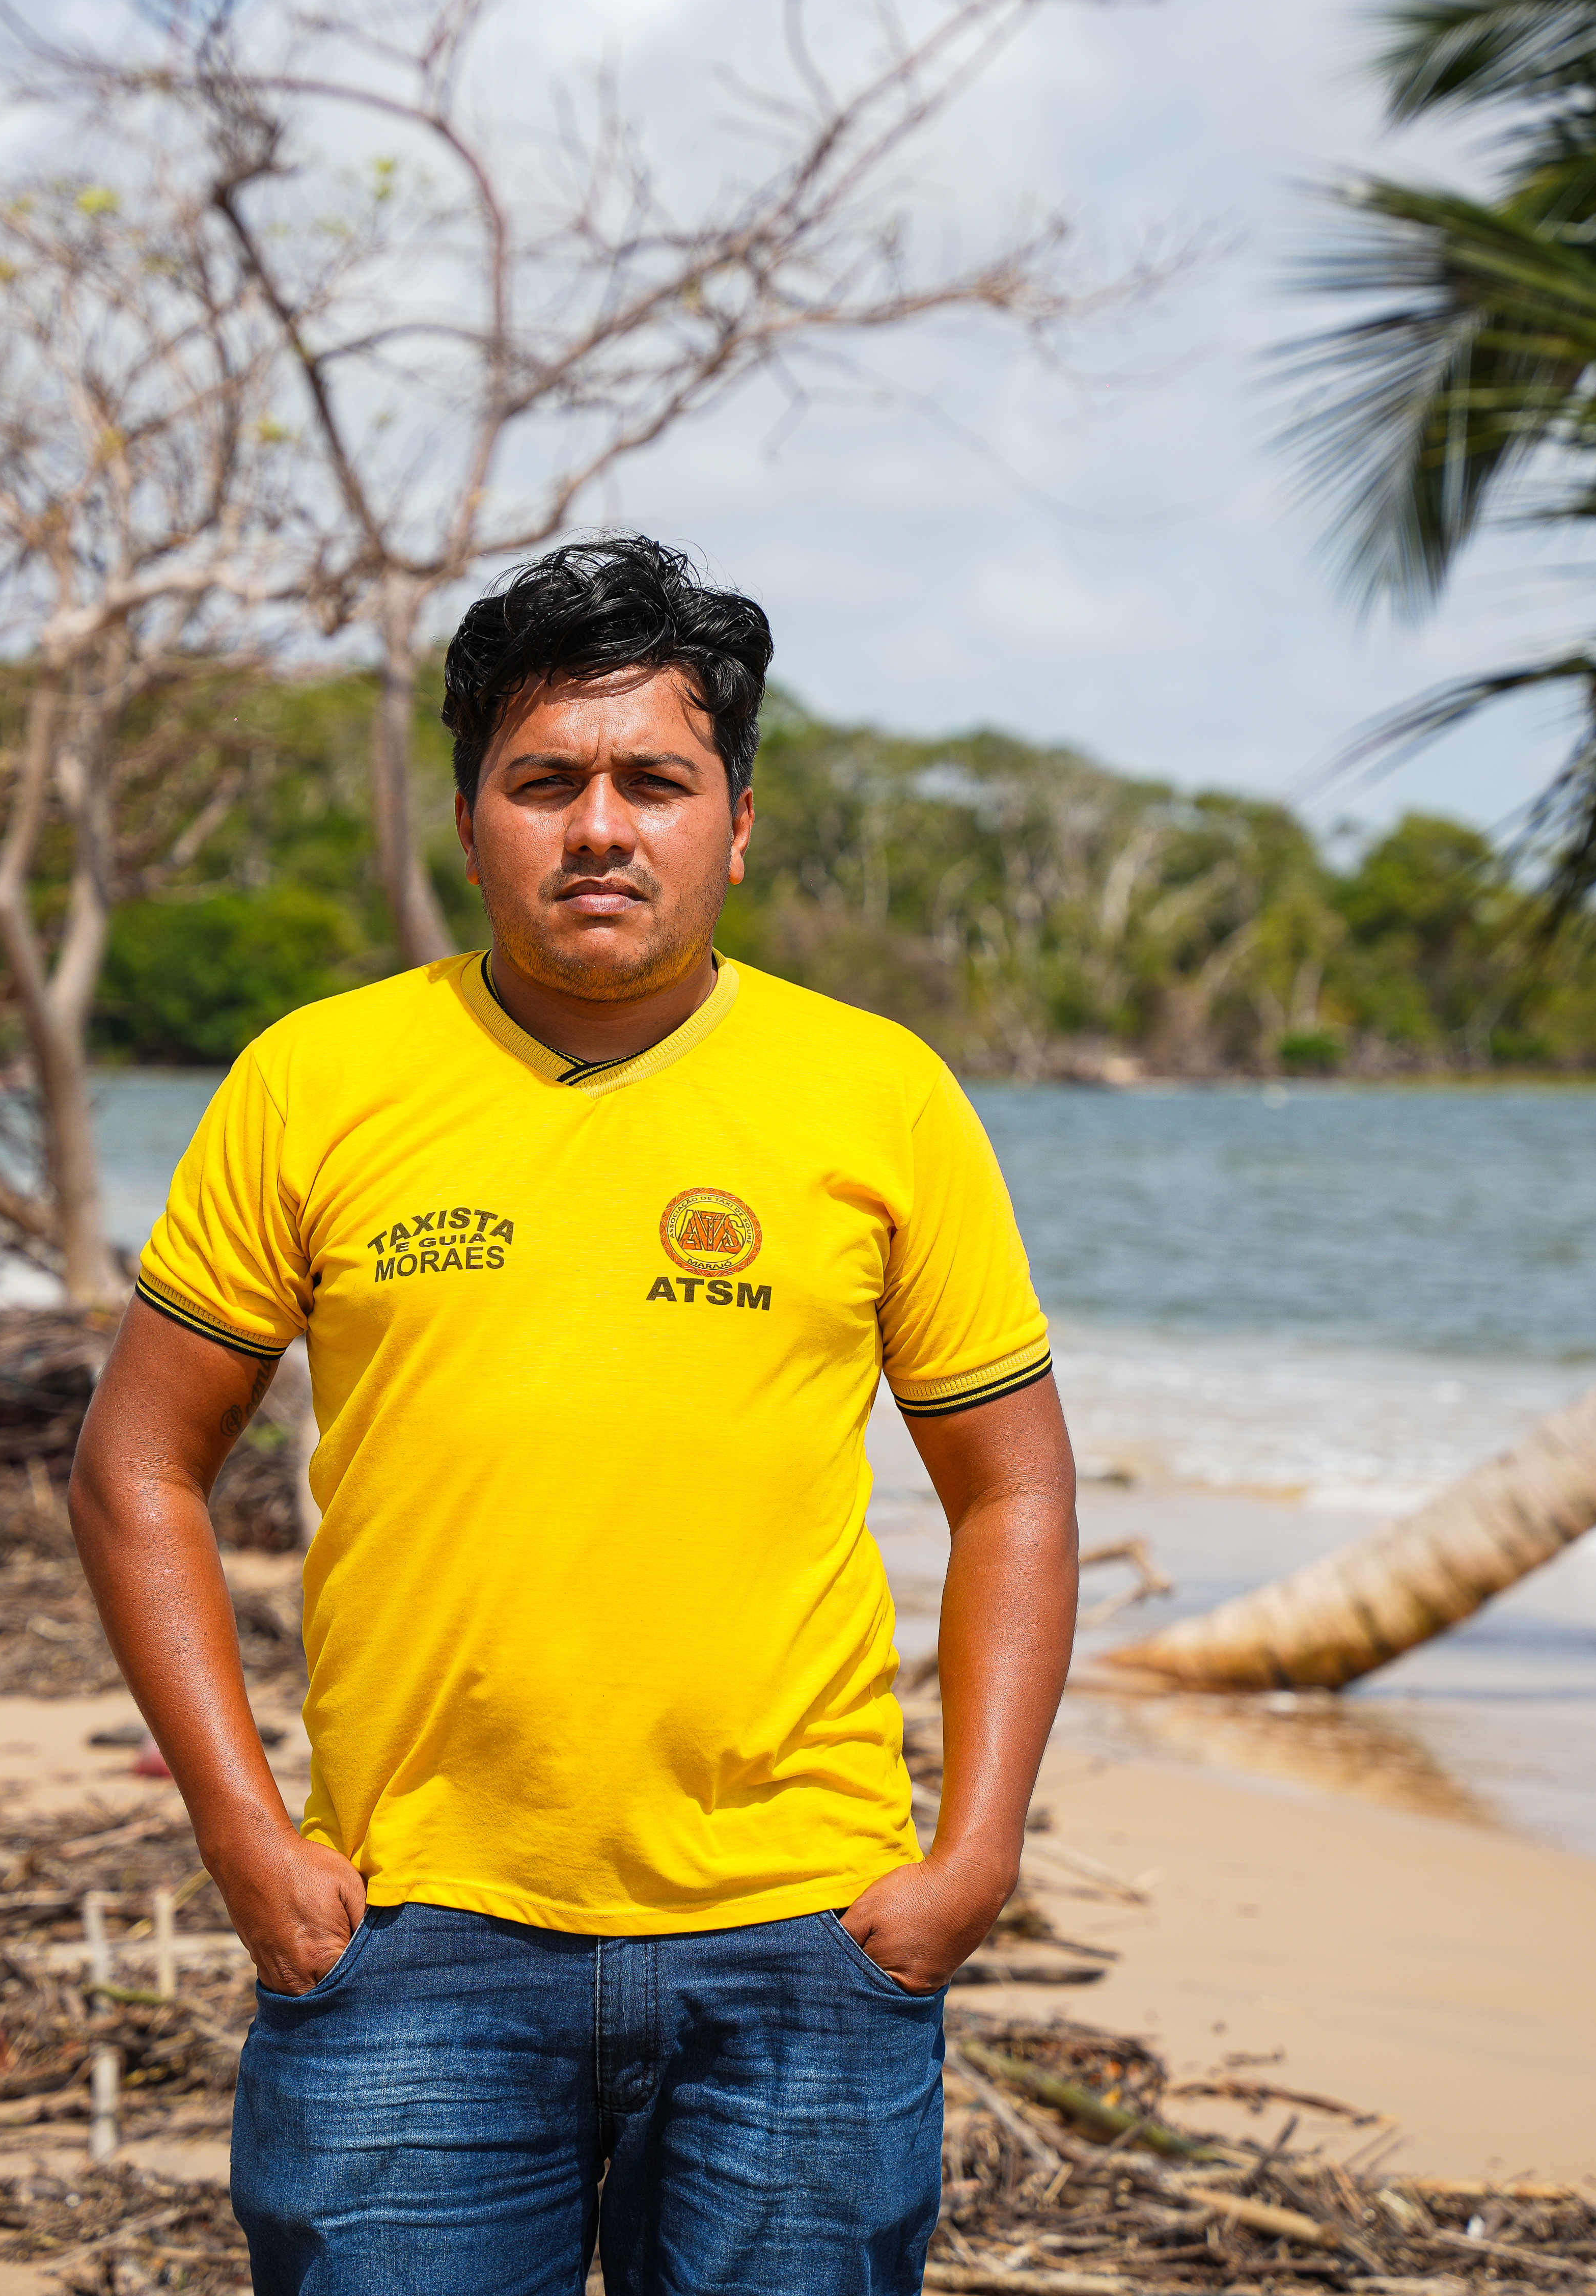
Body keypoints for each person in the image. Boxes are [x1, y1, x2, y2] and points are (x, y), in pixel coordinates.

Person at [70, 534, 1079, 2295]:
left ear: (737, 824)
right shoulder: (320, 1081)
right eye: (544, 781)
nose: (598, 826)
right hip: (412, 1938)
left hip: (803, 1940)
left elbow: (1014, 1495)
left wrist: (974, 1856)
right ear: (470, 820)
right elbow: (137, 1466)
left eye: (654, 782)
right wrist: (244, 1839)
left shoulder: (880, 1096)